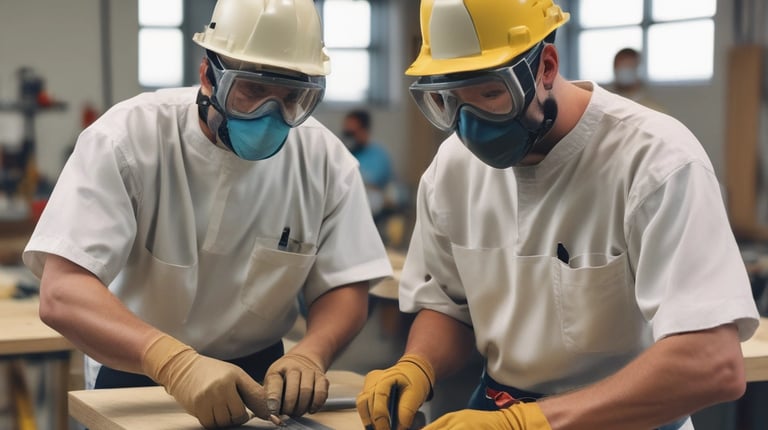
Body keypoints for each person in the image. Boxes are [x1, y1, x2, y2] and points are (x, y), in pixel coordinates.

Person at [356, 1, 759, 429]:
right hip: (502, 408)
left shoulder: (655, 161)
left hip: (627, 417)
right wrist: (418, 364)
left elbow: (712, 363)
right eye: (448, 100)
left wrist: (529, 424)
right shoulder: (451, 169)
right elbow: (448, 305)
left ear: (546, 66)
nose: (469, 124)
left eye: (491, 94)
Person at [23, 1, 392, 429]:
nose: (270, 114)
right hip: (138, 370)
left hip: (263, 385)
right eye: (251, 90)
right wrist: (173, 361)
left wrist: (313, 351)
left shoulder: (324, 160)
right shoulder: (128, 138)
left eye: (293, 98)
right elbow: (62, 291)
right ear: (208, 74)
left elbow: (345, 284)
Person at [341, 109, 394, 220]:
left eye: (352, 133)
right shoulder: (341, 153)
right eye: (346, 133)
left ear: (364, 131)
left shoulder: (378, 155)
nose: (348, 137)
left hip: (371, 208)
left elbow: (372, 184)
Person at [610, 47, 666, 112]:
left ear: (639, 69)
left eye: (629, 66)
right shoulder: (606, 107)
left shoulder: (654, 110)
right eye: (619, 67)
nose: (623, 71)